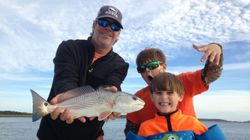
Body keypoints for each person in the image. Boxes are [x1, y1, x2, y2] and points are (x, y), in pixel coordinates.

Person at [36, 5, 129, 140]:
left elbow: (113, 84)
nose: (108, 28)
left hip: (91, 135)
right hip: (52, 133)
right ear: (94, 25)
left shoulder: (121, 65)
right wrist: (66, 95)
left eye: (115, 26)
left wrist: (112, 93)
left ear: (118, 34)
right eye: (103, 22)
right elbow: (65, 79)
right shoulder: (69, 47)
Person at [125, 44, 223, 135]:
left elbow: (211, 74)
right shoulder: (137, 99)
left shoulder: (182, 82)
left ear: (164, 67)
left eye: (152, 66)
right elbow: (130, 132)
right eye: (142, 68)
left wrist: (217, 48)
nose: (147, 71)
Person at [138, 72, 208, 136]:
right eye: (159, 93)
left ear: (180, 96)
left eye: (170, 93)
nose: (164, 97)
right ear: (152, 97)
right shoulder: (145, 128)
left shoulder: (193, 124)